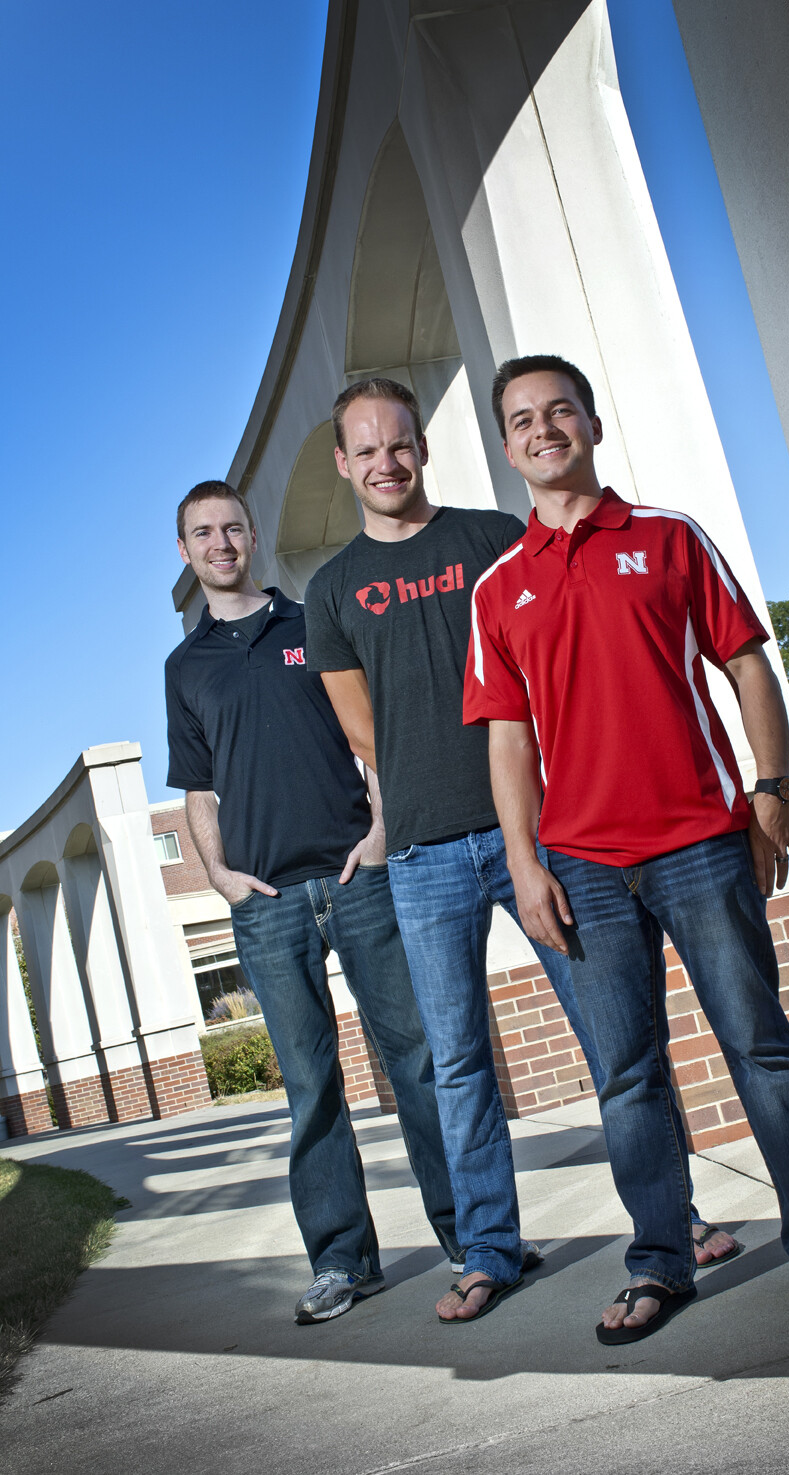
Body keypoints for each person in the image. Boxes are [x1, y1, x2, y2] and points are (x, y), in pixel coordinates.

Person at [464, 354, 789, 1344]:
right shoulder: (498, 589)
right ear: (507, 447)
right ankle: (660, 1258)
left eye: (559, 409)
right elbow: (507, 736)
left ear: (592, 425)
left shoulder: (665, 537)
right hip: (580, 867)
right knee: (626, 1074)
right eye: (522, 418)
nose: (542, 428)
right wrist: (524, 862)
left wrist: (769, 787)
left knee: (760, 1043)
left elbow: (745, 660)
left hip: (700, 838)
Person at [303, 378, 734, 1324]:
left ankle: (678, 1218)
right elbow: (364, 732)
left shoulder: (492, 538)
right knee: (458, 1062)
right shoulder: (329, 590)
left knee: (611, 1033)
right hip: (420, 852)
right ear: (343, 463)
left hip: (538, 835)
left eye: (399, 443)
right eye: (365, 449)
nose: (385, 462)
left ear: (423, 447)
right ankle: (491, 1248)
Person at [165, 479, 461, 1325]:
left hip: (355, 879)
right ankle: (342, 1261)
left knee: (418, 1063)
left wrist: (380, 825)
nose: (220, 542)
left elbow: (370, 731)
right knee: (310, 1086)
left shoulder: (311, 622)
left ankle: (469, 1236)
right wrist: (219, 878)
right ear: (184, 552)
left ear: (252, 536)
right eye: (202, 533)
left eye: (232, 527)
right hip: (265, 904)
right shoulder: (183, 669)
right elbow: (199, 790)